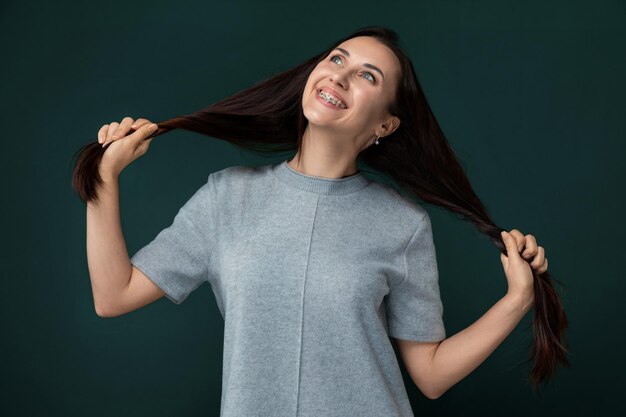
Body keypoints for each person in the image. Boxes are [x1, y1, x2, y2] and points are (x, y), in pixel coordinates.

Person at [78, 26, 567, 416]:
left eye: (368, 76)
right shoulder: (227, 196)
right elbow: (113, 294)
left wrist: (517, 299)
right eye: (337, 59)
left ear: (385, 126)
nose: (340, 75)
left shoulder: (403, 225)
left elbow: (431, 376)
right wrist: (105, 179)